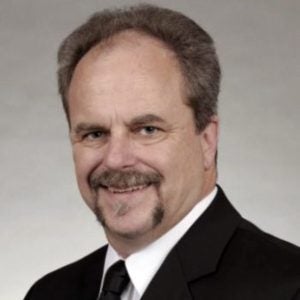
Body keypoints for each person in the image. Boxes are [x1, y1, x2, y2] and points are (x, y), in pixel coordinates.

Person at [24, 4, 300, 300]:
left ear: (207, 140)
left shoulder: (288, 289)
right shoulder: (49, 293)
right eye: (95, 134)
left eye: (147, 130)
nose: (116, 159)